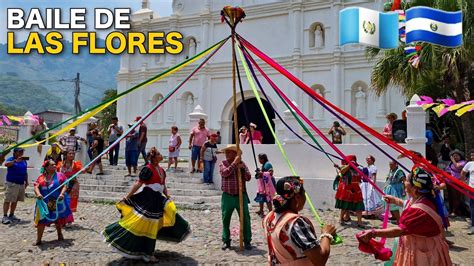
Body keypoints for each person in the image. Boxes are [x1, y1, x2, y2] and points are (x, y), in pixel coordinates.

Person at [358, 167, 452, 266]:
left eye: (406, 181)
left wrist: (373, 233)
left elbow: (399, 230)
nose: (404, 182)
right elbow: (406, 203)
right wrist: (394, 200)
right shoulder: (424, 199)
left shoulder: (418, 211)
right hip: (425, 246)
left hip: (423, 252)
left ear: (415, 189)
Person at [103, 148, 178, 262]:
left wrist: (167, 195)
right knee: (146, 225)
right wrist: (126, 197)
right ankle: (148, 253)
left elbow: (163, 185)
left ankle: (146, 251)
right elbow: (138, 184)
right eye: (158, 154)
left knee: (155, 225)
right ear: (153, 157)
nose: (160, 155)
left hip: (157, 200)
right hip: (148, 200)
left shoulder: (162, 170)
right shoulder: (147, 169)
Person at [263, 176, 336, 265]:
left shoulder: (269, 217)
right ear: (297, 197)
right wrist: (326, 234)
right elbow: (319, 260)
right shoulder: (295, 223)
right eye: (304, 193)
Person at [219, 144, 253, 250]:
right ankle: (226, 240)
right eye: (226, 152)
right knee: (225, 218)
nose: (227, 154)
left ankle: (247, 240)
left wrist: (242, 169)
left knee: (245, 218)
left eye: (229, 152)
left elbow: (248, 178)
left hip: (240, 196)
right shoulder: (223, 164)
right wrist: (234, 163)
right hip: (227, 196)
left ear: (235, 154)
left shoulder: (242, 164)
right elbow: (225, 173)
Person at [33, 160, 73, 246]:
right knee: (41, 220)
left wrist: (62, 194)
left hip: (55, 201)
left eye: (55, 164)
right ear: (46, 167)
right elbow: (36, 186)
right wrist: (38, 194)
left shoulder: (60, 176)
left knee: (57, 218)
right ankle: (38, 239)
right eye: (52, 165)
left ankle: (59, 234)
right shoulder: (41, 177)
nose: (55, 166)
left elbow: (65, 185)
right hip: (44, 202)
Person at [334, 155, 365, 227]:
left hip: (356, 189)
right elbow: (342, 171)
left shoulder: (358, 169)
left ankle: (359, 222)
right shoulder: (345, 168)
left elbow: (362, 175)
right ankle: (341, 218)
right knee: (345, 206)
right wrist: (349, 165)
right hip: (347, 189)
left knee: (359, 205)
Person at [2, 148, 28, 225]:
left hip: (20, 183)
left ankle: (11, 214)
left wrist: (26, 181)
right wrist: (15, 161)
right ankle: (5, 216)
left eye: (22, 151)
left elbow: (25, 171)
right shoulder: (11, 159)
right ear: (15, 153)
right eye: (20, 151)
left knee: (15, 200)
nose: (21, 153)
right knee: (8, 199)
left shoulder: (24, 161)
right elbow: (6, 164)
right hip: (12, 183)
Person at [445, 149, 466, 216]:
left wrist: (452, 159)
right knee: (450, 196)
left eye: (457, 156)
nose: (455, 157)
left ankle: (456, 211)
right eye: (454, 156)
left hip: (457, 182)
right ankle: (450, 210)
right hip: (449, 182)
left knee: (456, 197)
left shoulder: (463, 162)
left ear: (460, 156)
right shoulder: (450, 163)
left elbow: (457, 166)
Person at [255, 153, 276, 218]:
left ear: (263, 159)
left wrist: (262, 173)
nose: (259, 161)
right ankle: (261, 210)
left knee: (268, 198)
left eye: (259, 159)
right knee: (261, 197)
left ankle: (270, 212)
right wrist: (259, 172)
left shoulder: (268, 164)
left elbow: (271, 173)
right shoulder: (264, 165)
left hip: (268, 184)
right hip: (263, 185)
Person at [460, 149, 474, 234]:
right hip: (472, 189)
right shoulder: (469, 164)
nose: (473, 157)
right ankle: (473, 226)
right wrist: (464, 183)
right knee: (473, 207)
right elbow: (462, 173)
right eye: (472, 155)